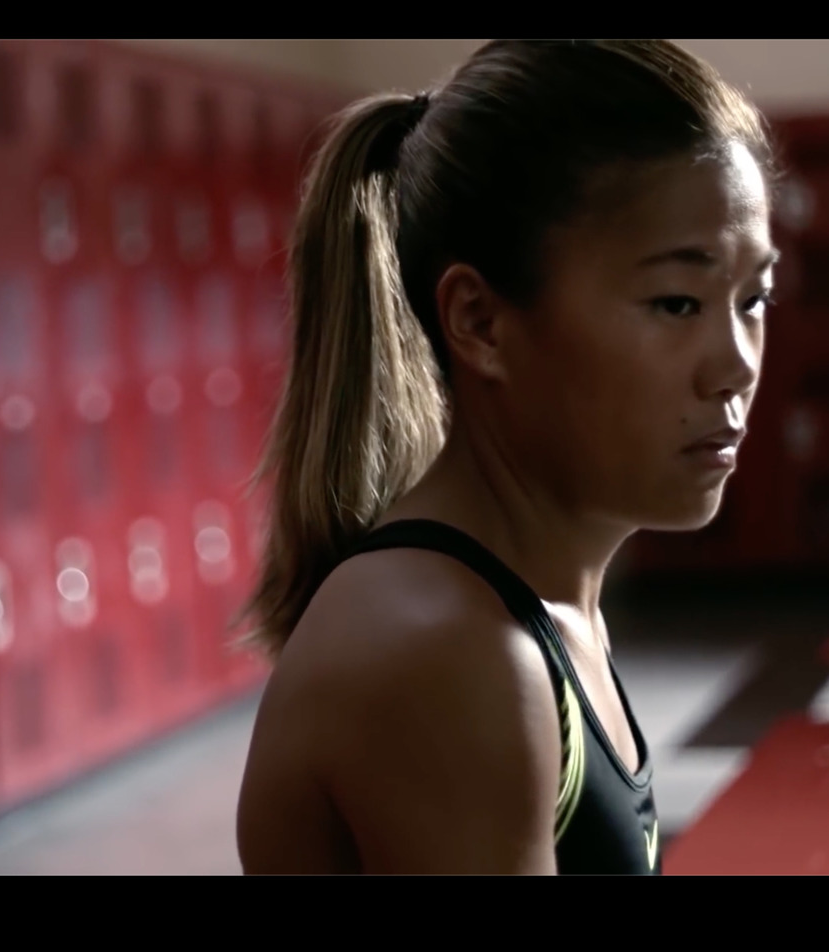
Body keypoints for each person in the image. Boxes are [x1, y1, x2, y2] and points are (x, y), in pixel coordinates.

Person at [233, 39, 780, 875]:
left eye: (754, 299)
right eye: (678, 301)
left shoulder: (534, 604)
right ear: (481, 323)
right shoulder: (451, 652)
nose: (736, 362)